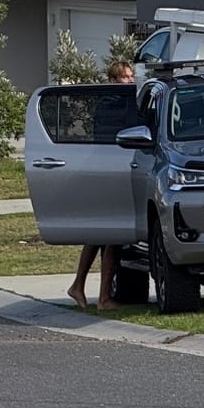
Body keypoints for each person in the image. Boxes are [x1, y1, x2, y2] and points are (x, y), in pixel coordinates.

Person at [68, 60, 137, 309]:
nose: (129, 81)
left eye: (131, 77)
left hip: (108, 169)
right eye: (124, 78)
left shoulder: (114, 103)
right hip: (109, 171)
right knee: (111, 236)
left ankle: (79, 286)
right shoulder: (111, 104)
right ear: (112, 79)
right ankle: (103, 297)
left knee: (98, 234)